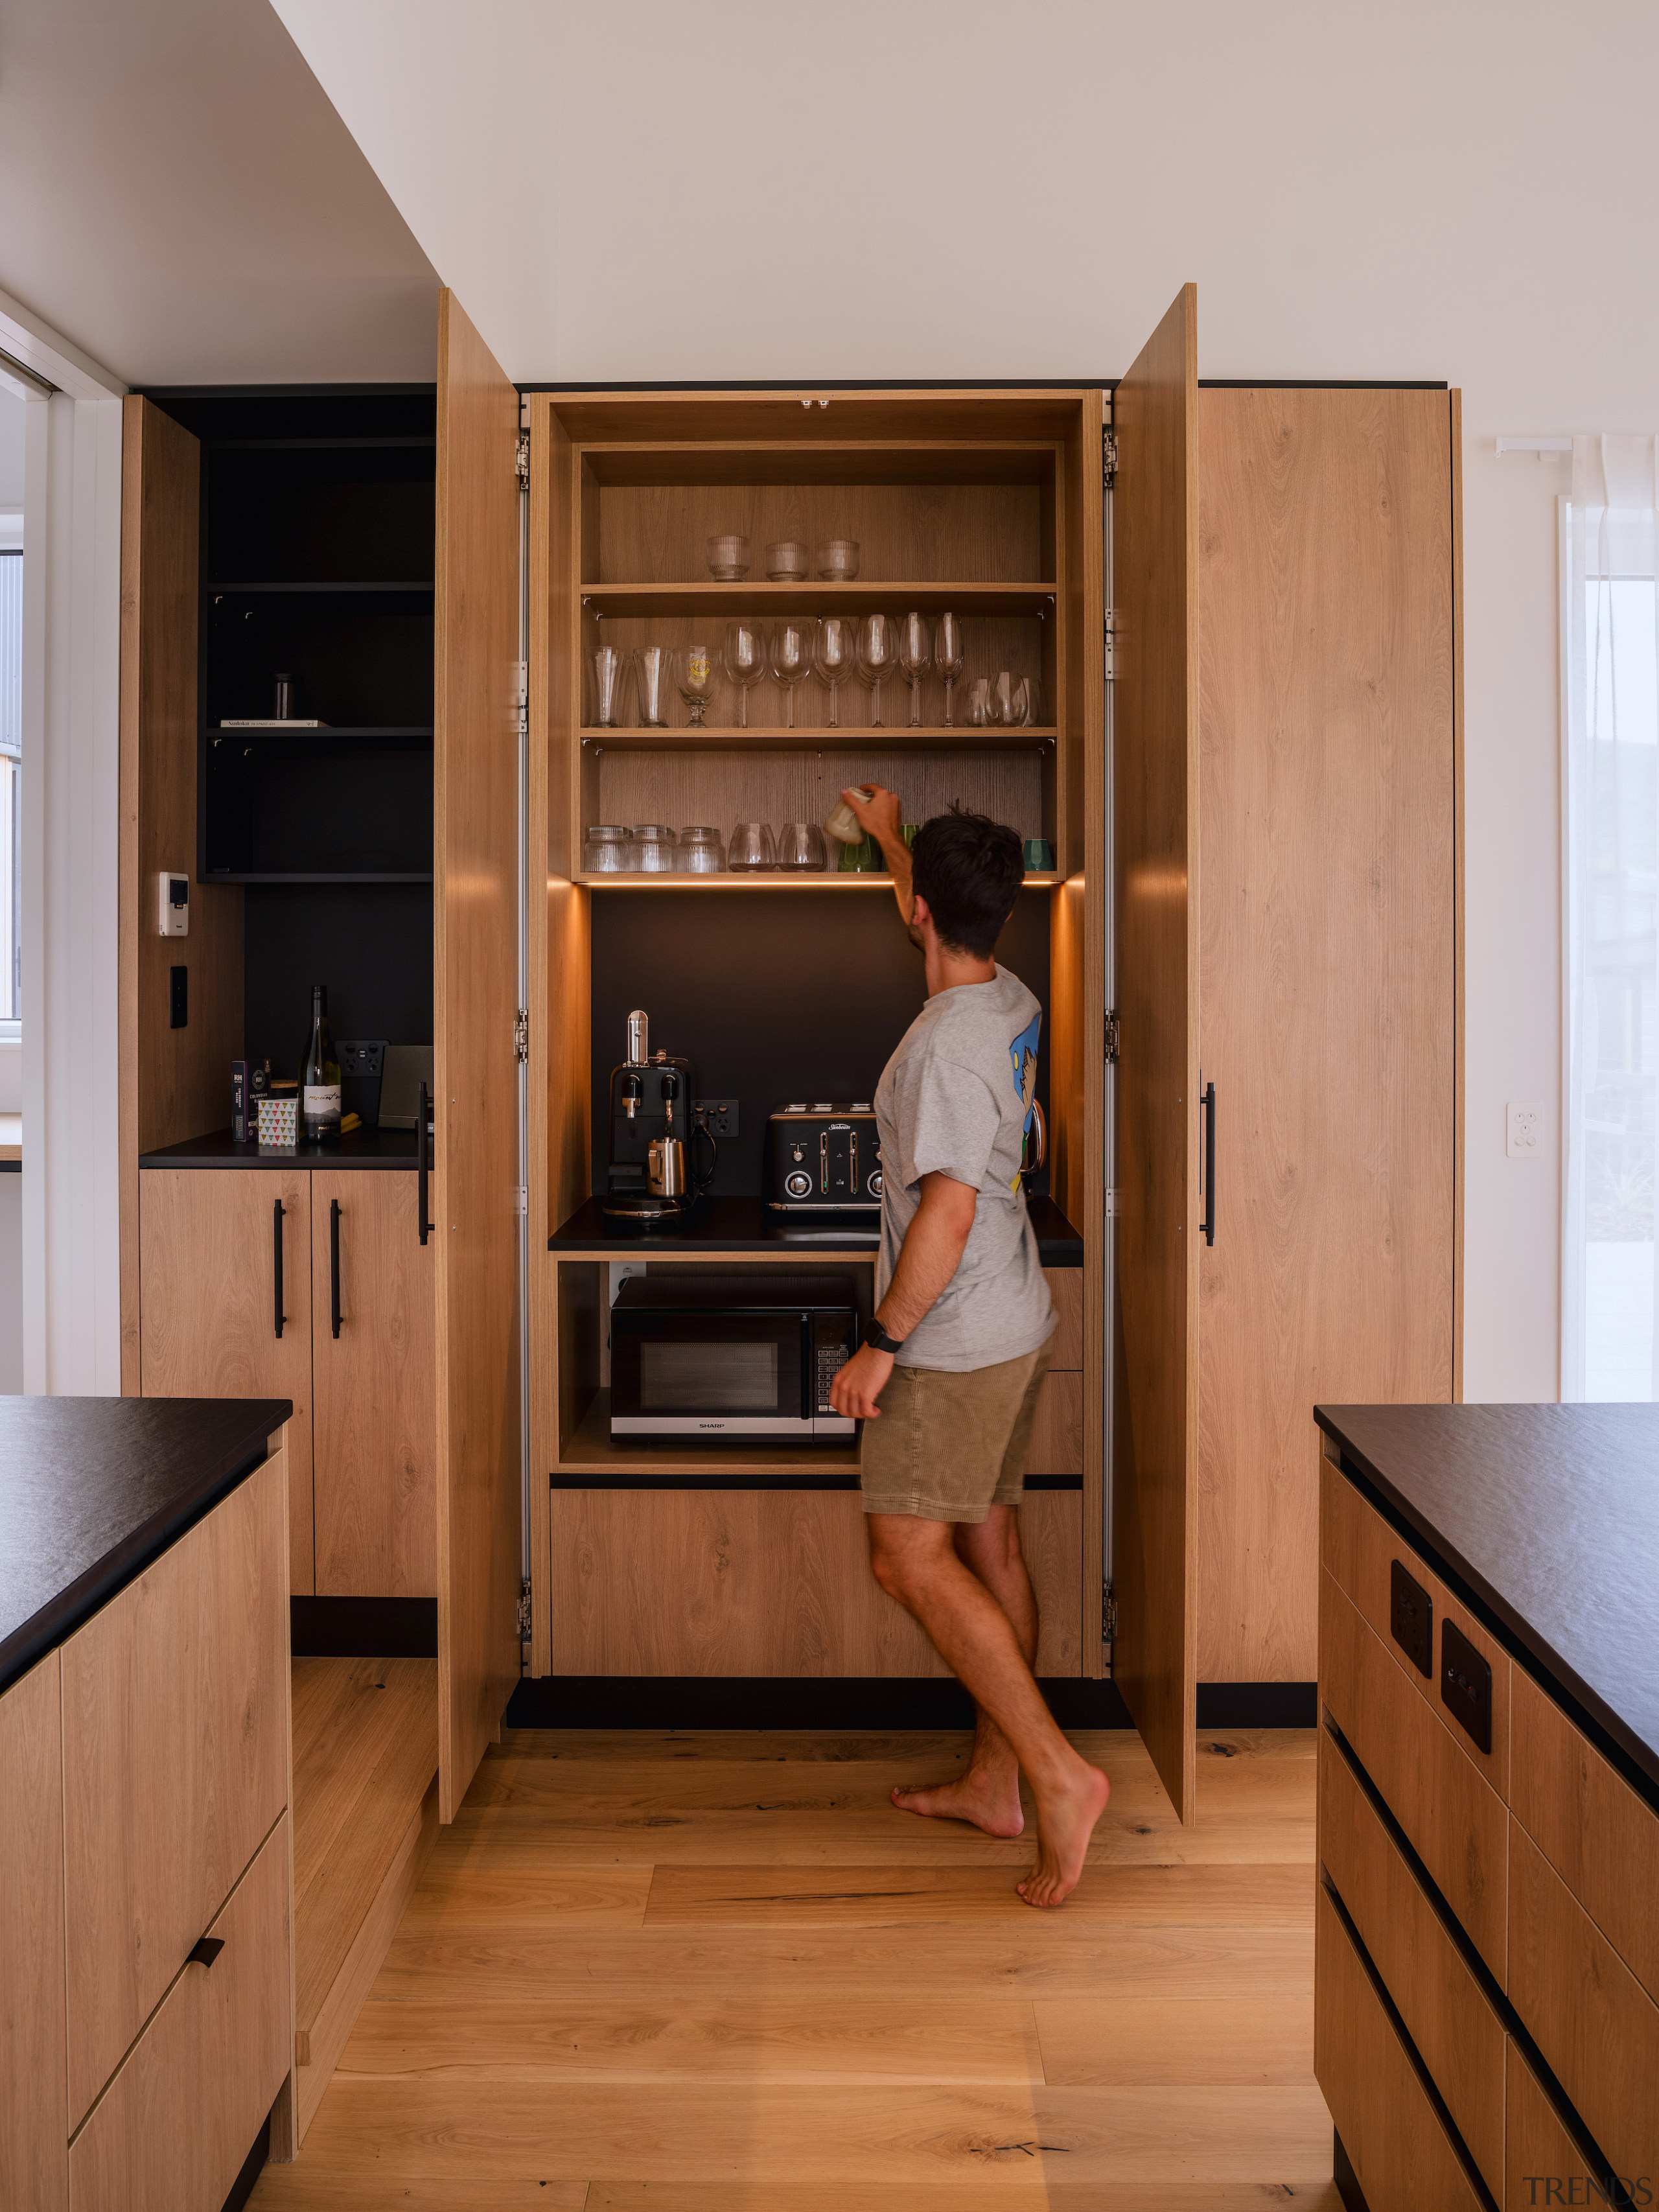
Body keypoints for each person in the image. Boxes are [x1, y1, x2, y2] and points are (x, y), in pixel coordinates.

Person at [828, 787, 1109, 1908]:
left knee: (907, 1555)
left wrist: (880, 1344)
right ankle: (1000, 1783)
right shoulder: (1005, 989)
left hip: (950, 1333)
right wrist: (894, 835)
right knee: (989, 1542)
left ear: (923, 917)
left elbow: (940, 1217)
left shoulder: (945, 1051)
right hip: (1017, 1313)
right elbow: (926, 898)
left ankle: (1055, 1774)